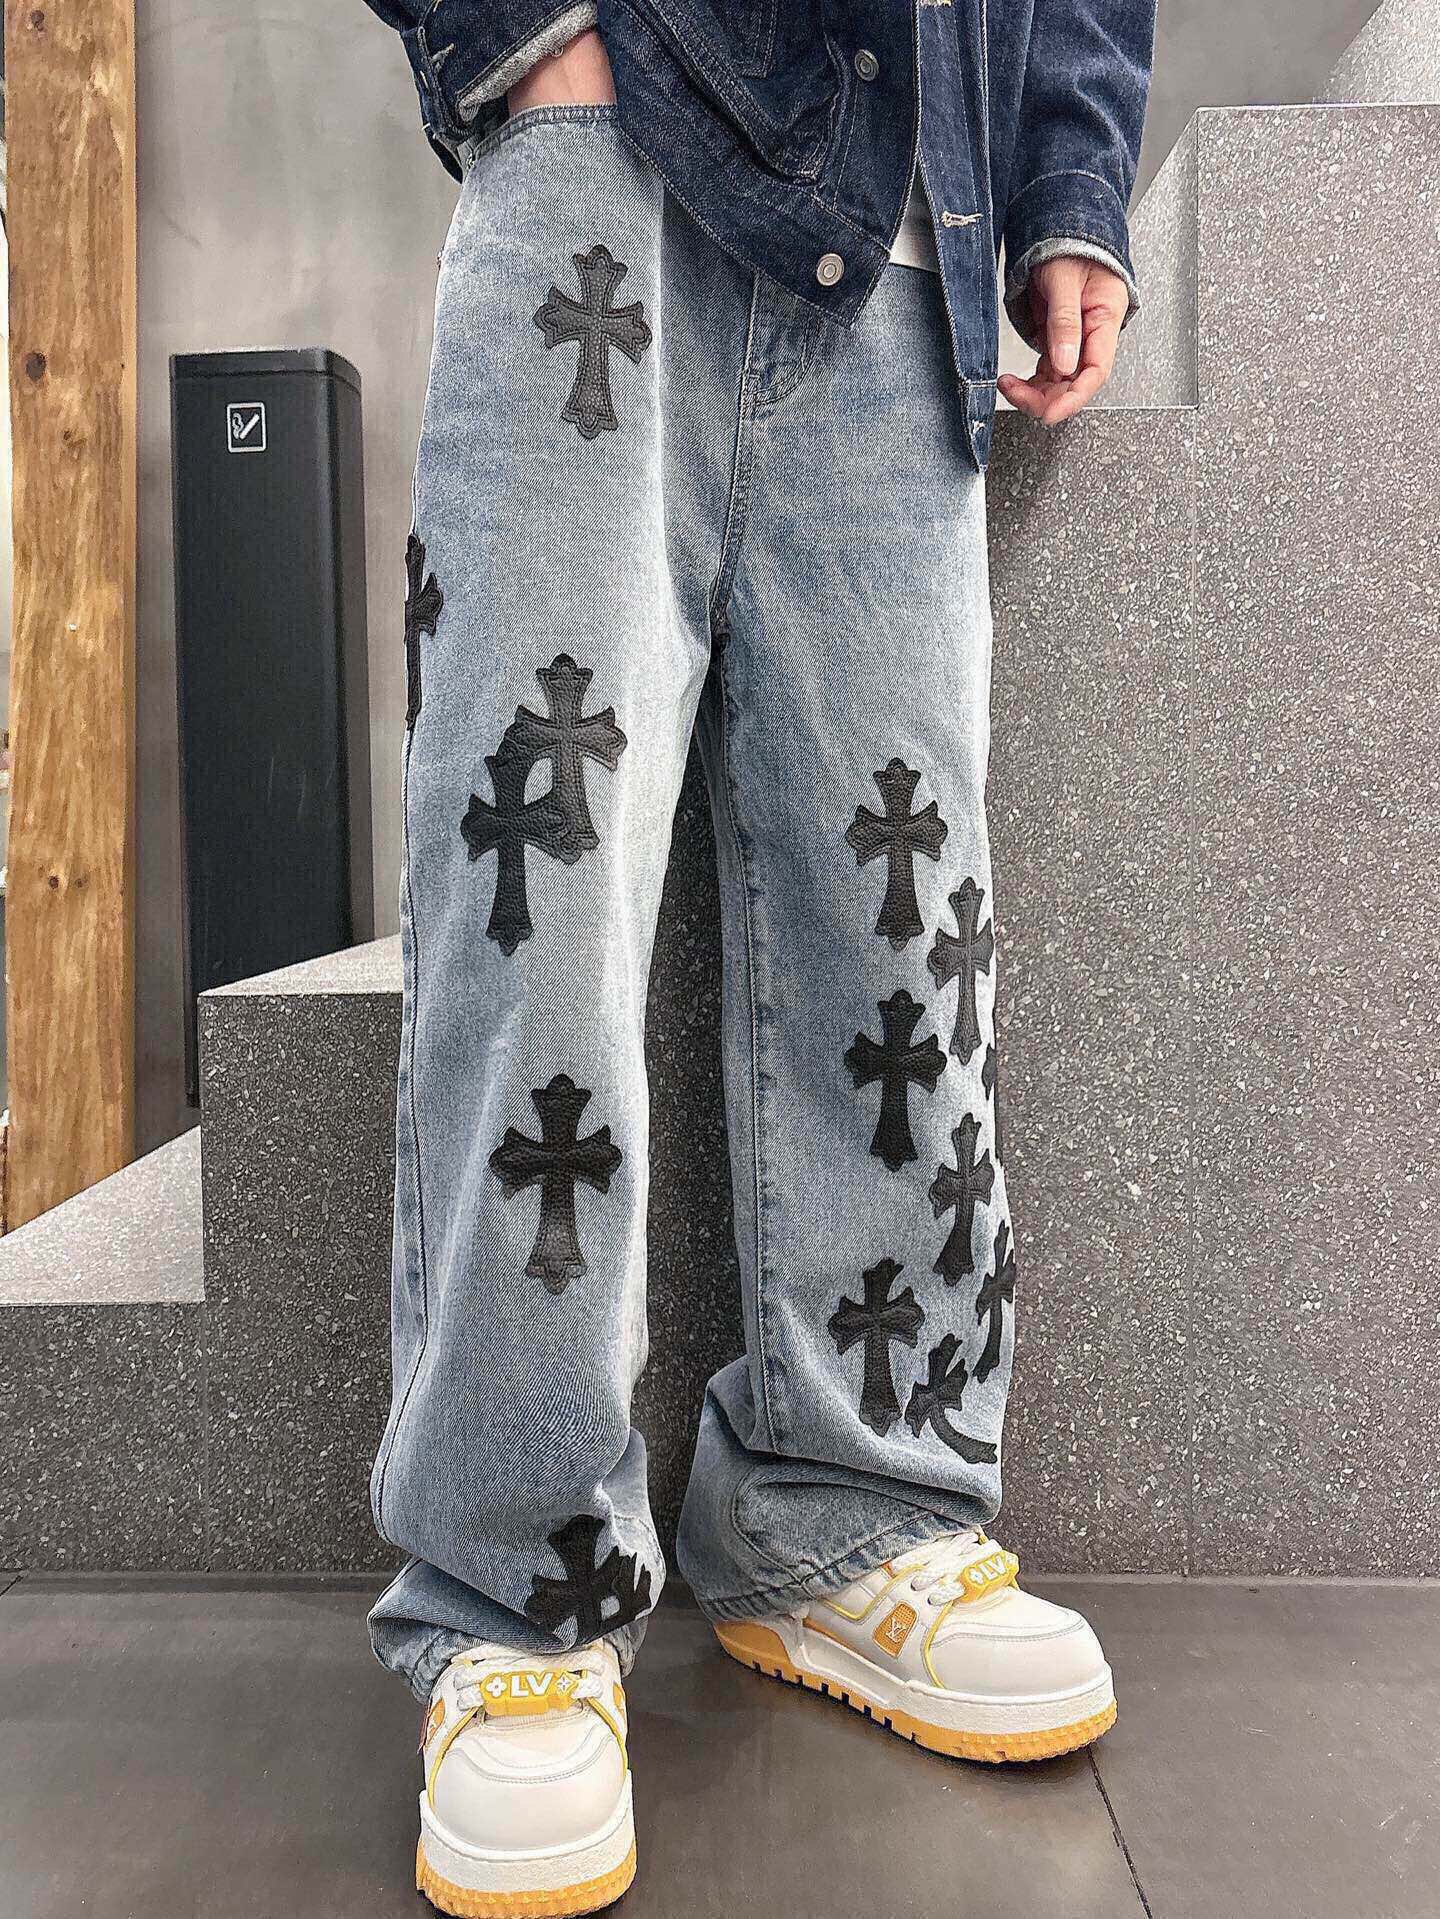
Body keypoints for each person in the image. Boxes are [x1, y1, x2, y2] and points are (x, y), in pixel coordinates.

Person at [361, 2, 1154, 1912]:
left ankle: (854, 1507)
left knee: (908, 923)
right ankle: (514, 1584)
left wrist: (1066, 168)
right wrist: (514, 35)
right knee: (537, 901)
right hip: (604, 152)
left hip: (915, 226)